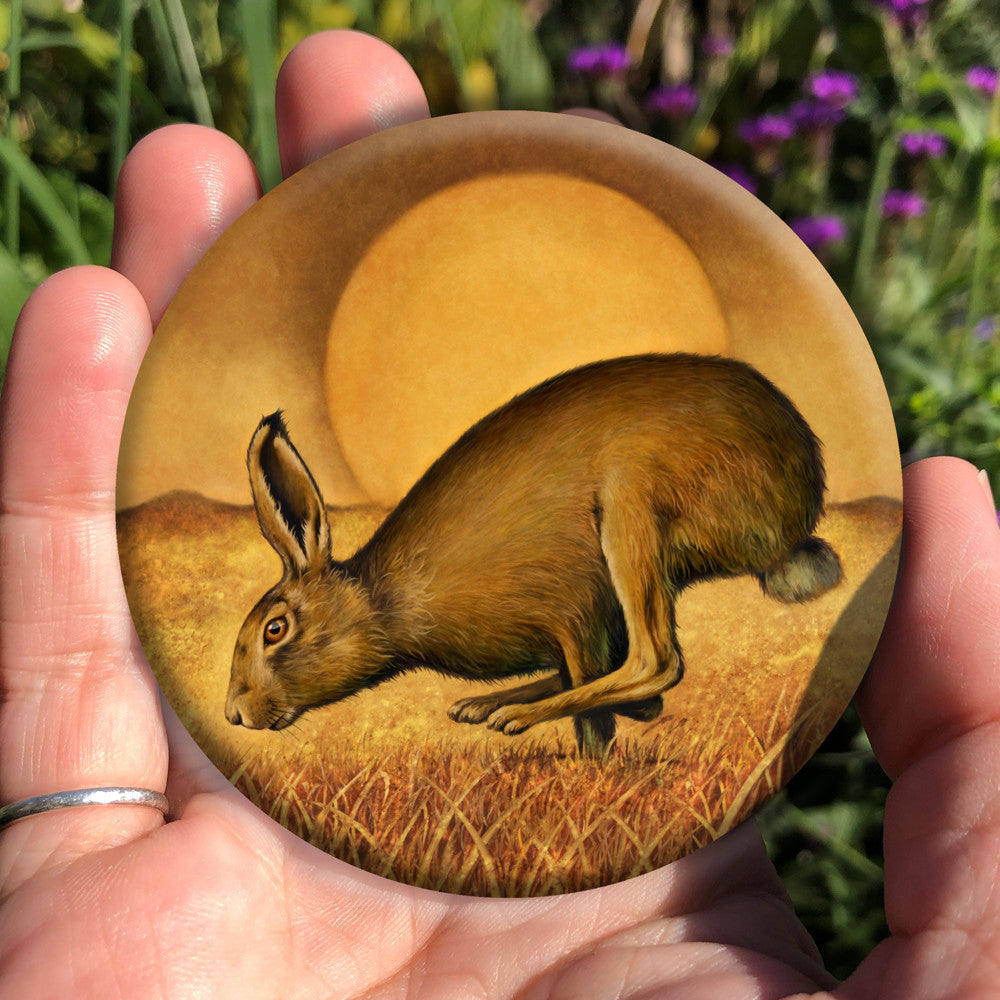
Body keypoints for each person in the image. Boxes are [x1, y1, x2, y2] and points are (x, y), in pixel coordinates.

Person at [1, 29, 998, 999]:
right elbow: (564, 601)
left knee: (622, 469)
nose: (250, 700)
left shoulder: (426, 590)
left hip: (747, 474)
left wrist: (537, 704)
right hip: (718, 489)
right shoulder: (432, 615)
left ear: (316, 578)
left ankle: (647, 664)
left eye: (276, 639)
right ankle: (606, 694)